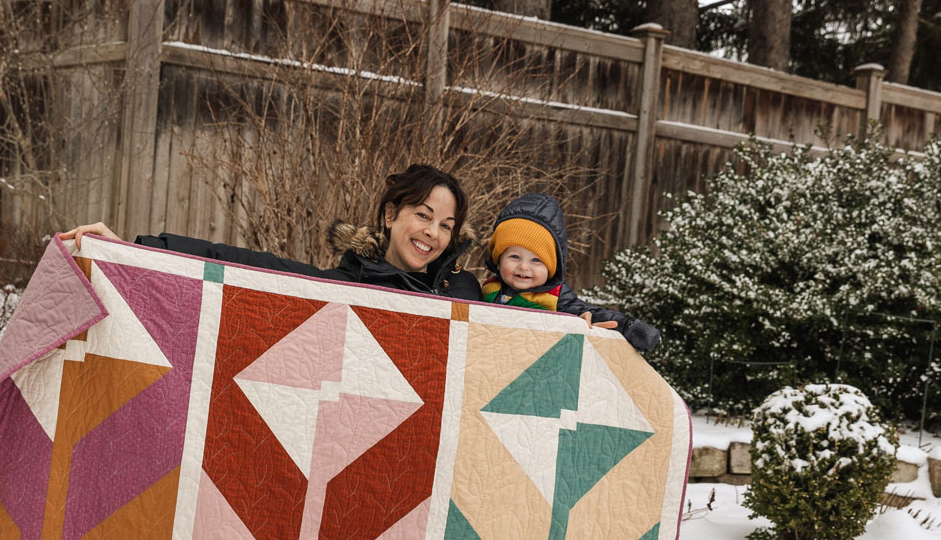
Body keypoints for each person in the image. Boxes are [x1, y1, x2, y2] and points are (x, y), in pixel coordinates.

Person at [57, 161, 483, 300]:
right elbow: (244, 265)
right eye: (423, 216)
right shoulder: (348, 287)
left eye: (447, 226)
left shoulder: (466, 293)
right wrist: (138, 251)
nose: (433, 233)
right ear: (391, 215)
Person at [479, 191, 661, 354]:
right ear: (498, 258)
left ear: (552, 266)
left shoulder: (556, 296)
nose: (524, 267)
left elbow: (591, 313)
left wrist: (629, 327)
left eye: (536, 260)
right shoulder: (488, 288)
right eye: (514, 256)